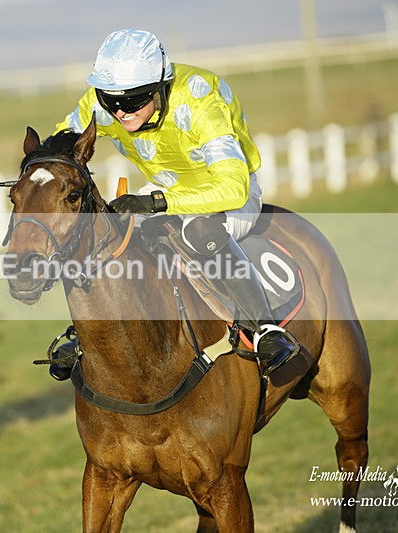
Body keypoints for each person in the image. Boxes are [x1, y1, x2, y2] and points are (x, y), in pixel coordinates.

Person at [48, 29, 299, 379]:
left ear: (160, 86)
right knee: (110, 229)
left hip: (229, 194)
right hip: (164, 190)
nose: (120, 111)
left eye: (134, 100)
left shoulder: (200, 100)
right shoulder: (103, 101)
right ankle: (89, 333)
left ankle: (266, 330)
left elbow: (233, 187)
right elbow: (60, 145)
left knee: (199, 230)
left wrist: (157, 202)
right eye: (110, 100)